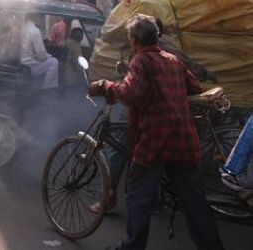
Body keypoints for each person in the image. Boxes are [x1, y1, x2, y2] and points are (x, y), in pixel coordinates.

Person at [89, 14, 225, 250]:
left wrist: (105, 86)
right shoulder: (172, 59)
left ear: (134, 40)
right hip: (183, 139)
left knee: (138, 199)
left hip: (154, 141)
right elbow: (194, 87)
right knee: (195, 204)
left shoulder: (141, 61)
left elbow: (129, 94)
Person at [20, 13, 59, 90]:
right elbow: (41, 56)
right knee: (54, 62)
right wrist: (48, 56)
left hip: (21, 63)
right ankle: (47, 90)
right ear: (36, 17)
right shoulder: (35, 31)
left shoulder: (21, 28)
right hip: (29, 66)